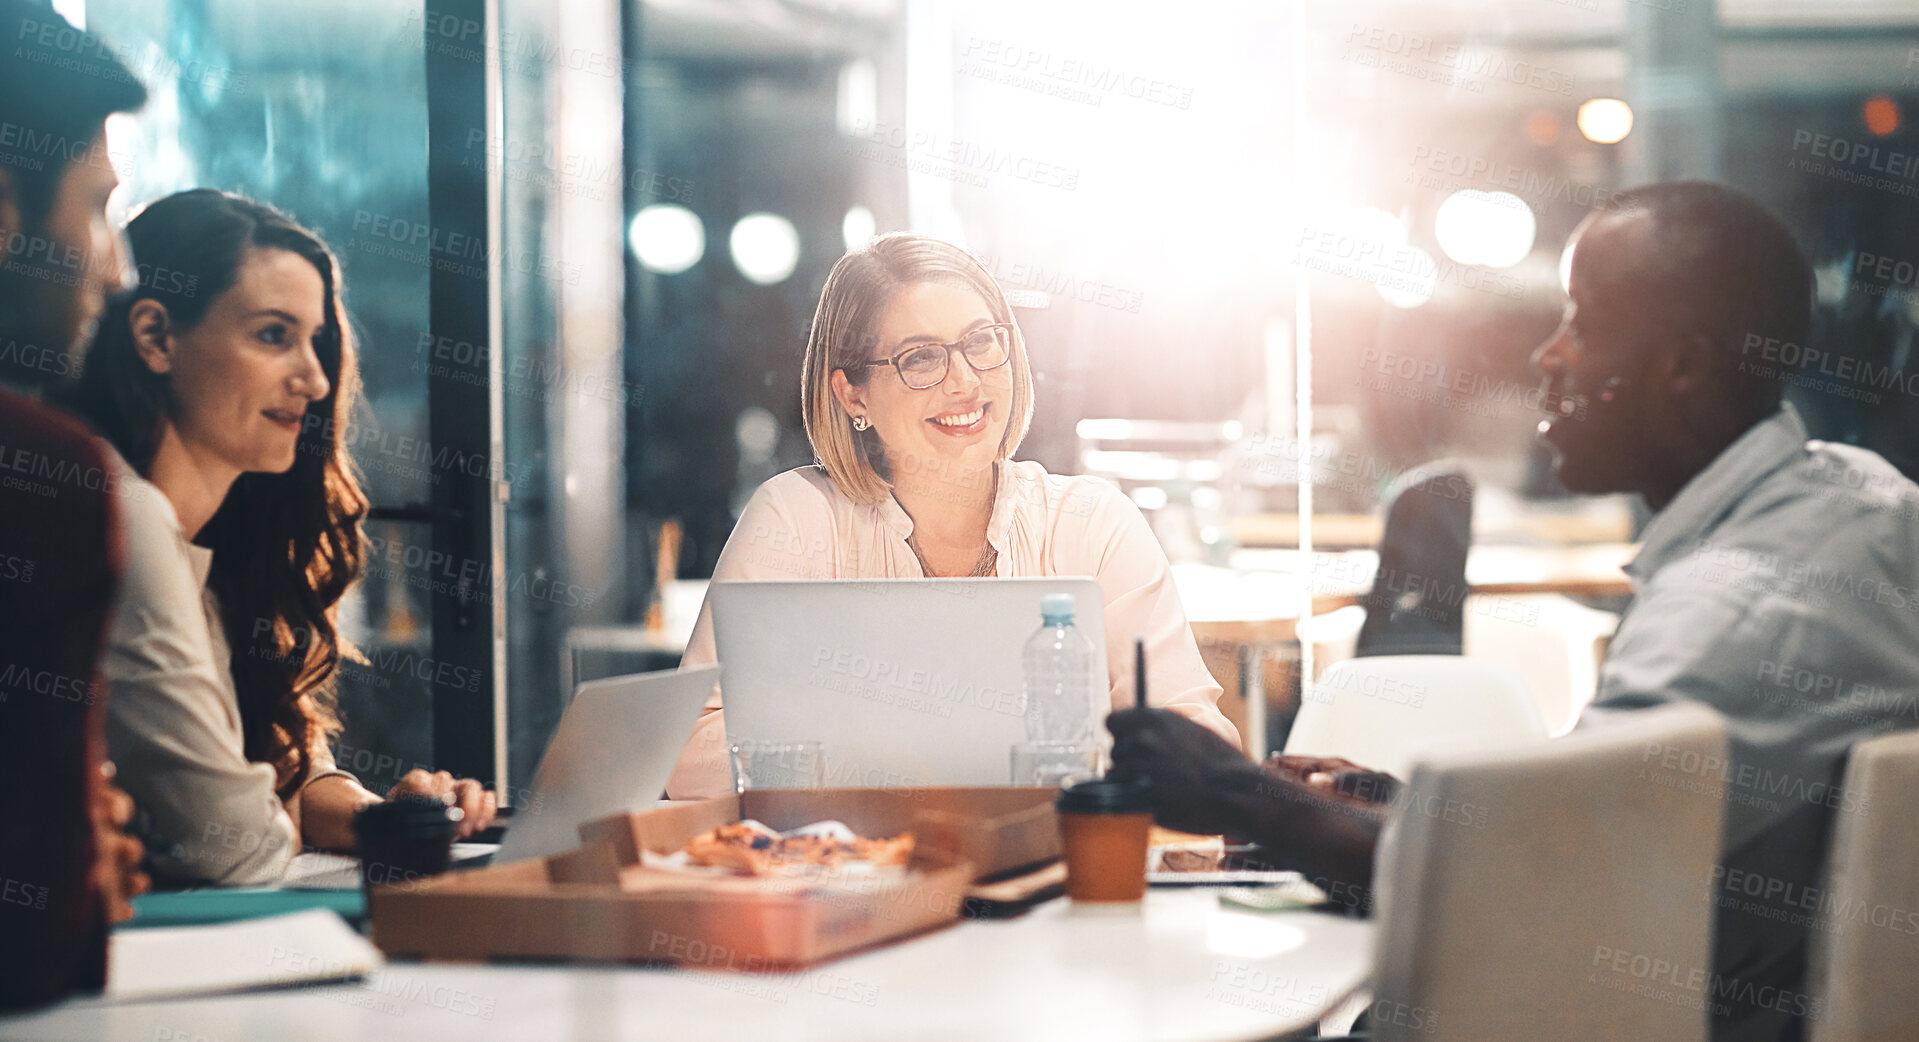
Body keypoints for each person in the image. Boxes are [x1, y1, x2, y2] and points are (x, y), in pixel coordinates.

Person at [1109, 181, 1919, 1042]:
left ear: (1680, 366)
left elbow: (1518, 896)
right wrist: (1404, 805)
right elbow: (1592, 834)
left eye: (1582, 321)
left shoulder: (1730, 615)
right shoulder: (1861, 501)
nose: (1547, 357)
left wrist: (1236, 795)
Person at [666, 233, 1239, 797]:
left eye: (981, 342)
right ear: (852, 396)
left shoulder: (1093, 523)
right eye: (920, 358)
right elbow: (687, 756)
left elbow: (1198, 747)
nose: (965, 381)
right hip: (853, 877)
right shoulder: (795, 520)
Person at [66, 189, 496, 886]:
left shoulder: (207, 547)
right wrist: (273, 820)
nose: (316, 379)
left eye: (316, 341)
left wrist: (380, 817)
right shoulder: (123, 517)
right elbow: (238, 848)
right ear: (155, 338)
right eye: (273, 336)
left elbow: (279, 768)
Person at [0, 0, 150, 1009]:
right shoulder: (44, 478)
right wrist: (76, 869)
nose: (116, 262)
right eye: (94, 208)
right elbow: (39, 950)